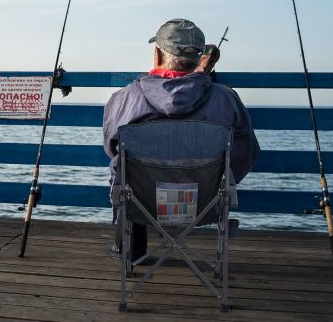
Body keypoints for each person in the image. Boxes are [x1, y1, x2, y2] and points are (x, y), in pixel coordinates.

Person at [103, 18, 260, 259]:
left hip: (142, 204)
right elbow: (246, 152)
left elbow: (112, 149)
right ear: (198, 58)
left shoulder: (124, 98)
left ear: (157, 54)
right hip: (204, 204)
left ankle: (130, 250)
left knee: (127, 173)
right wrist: (218, 180)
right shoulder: (226, 99)